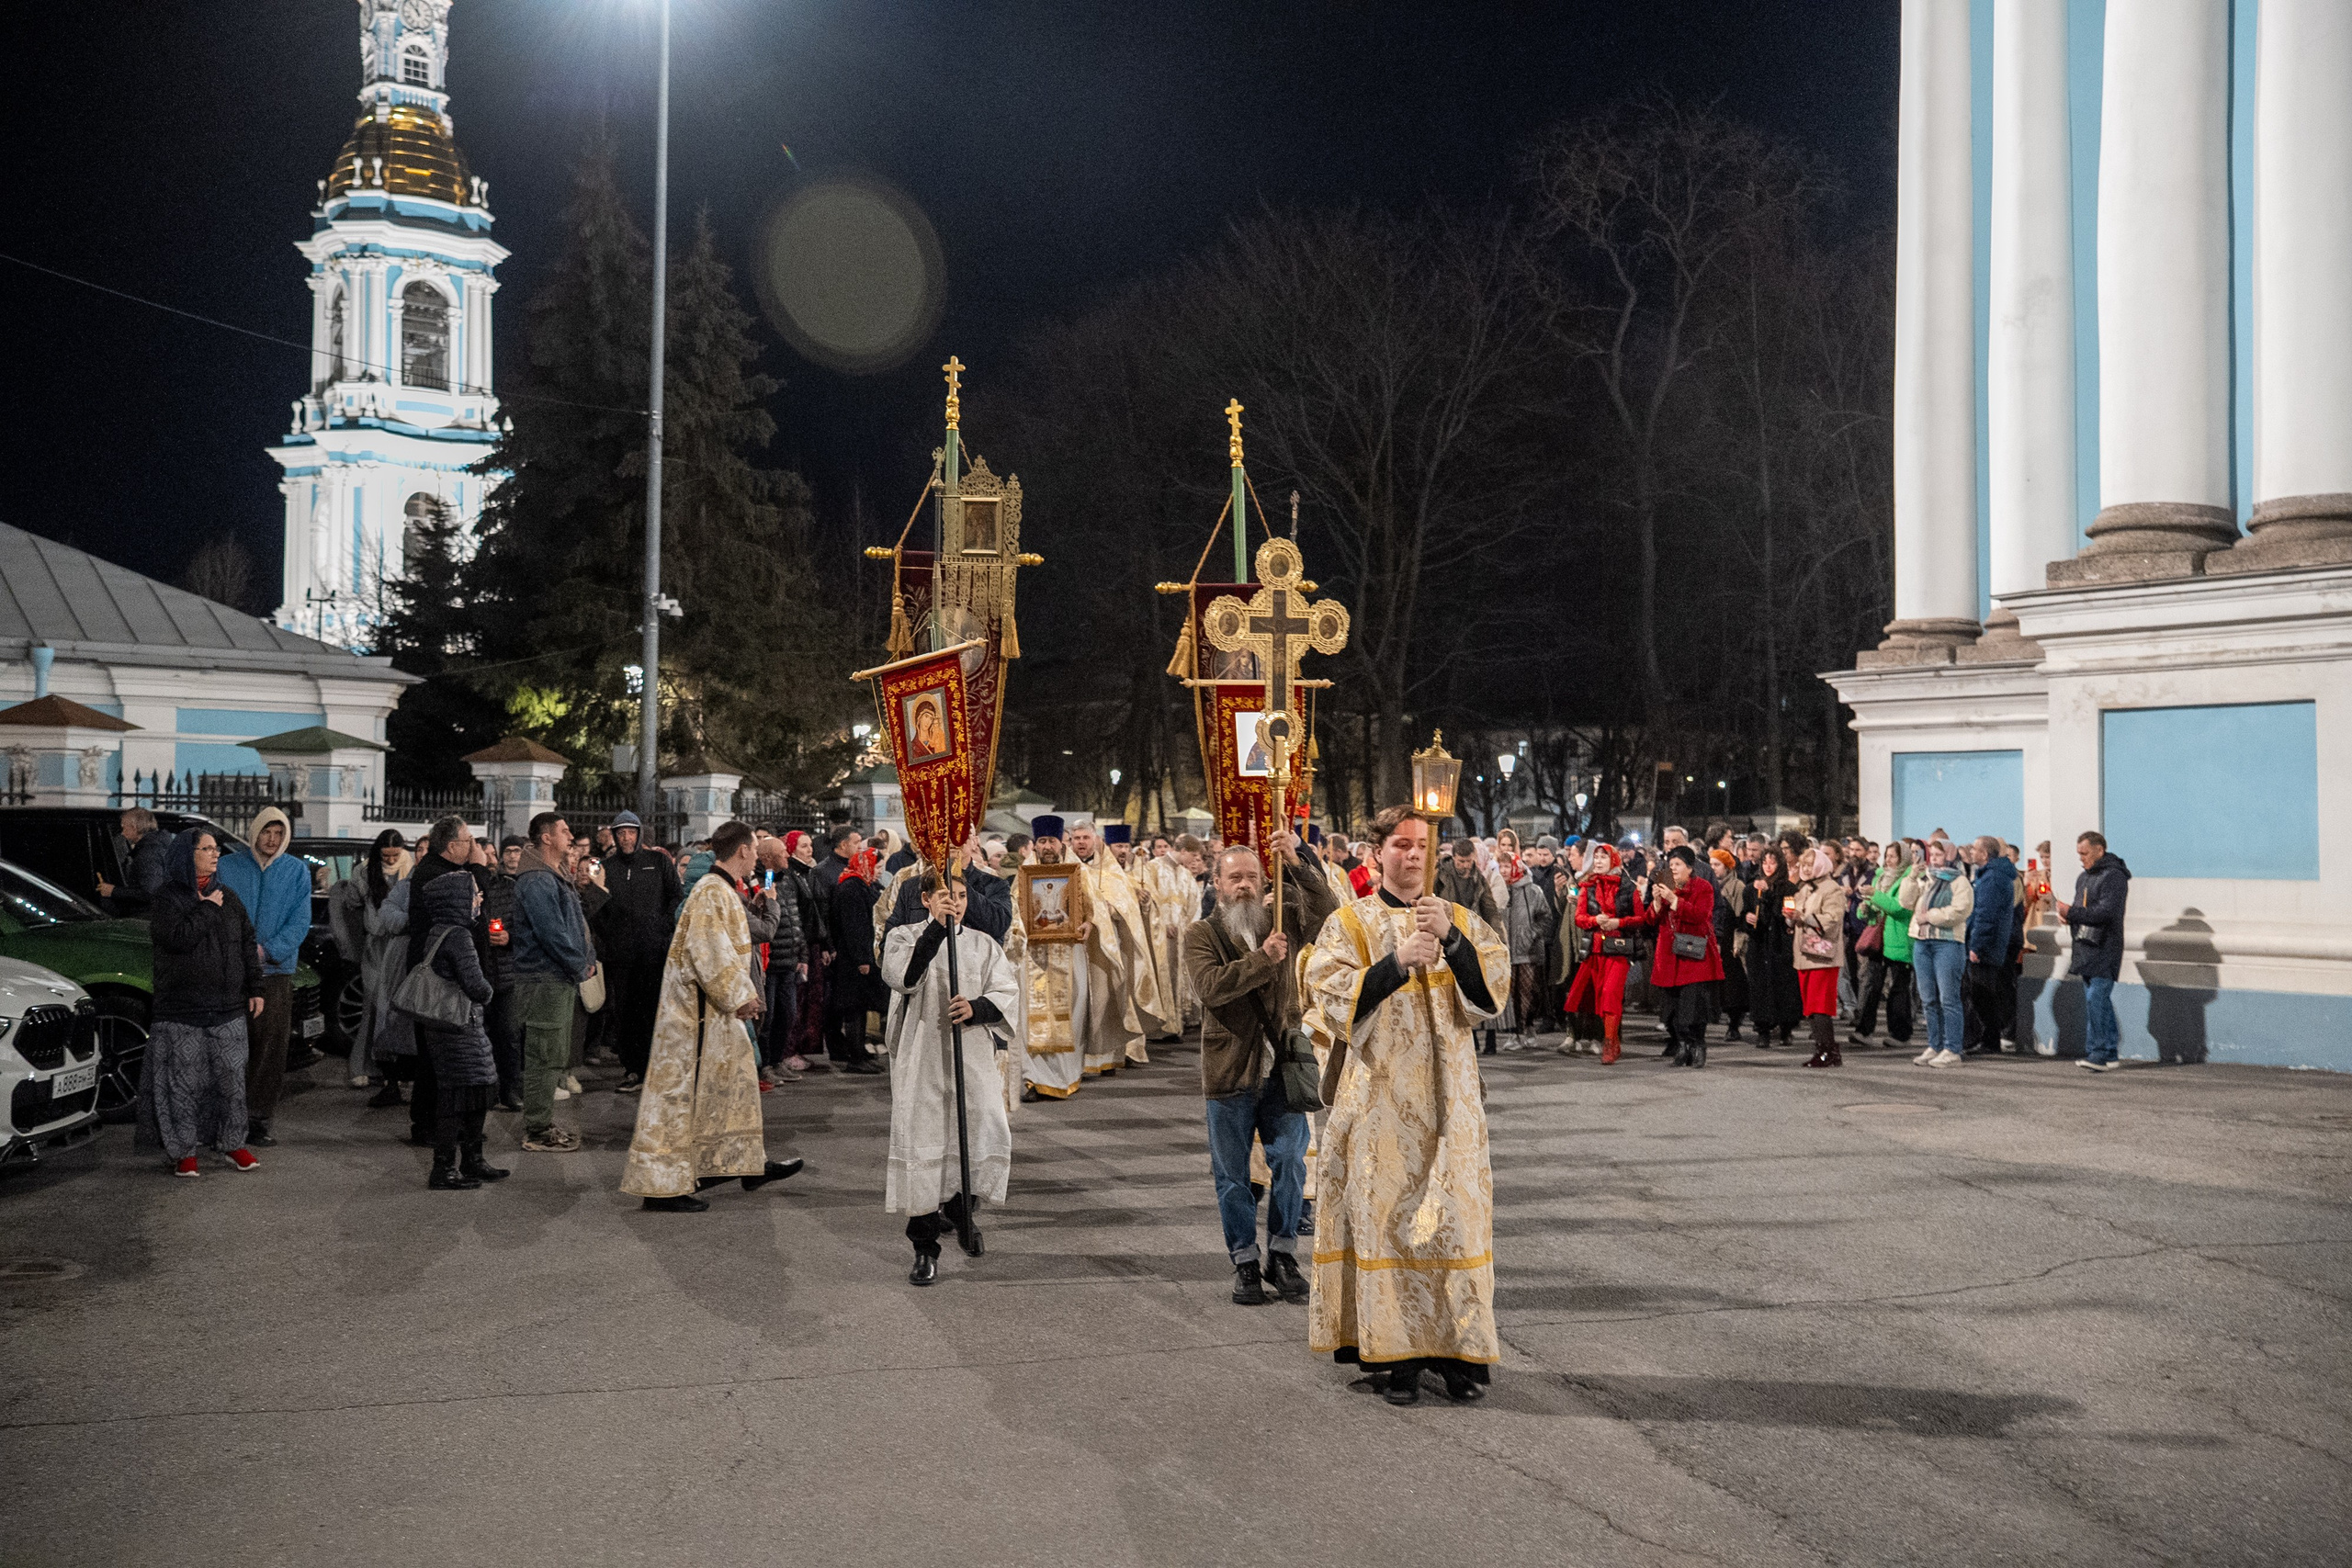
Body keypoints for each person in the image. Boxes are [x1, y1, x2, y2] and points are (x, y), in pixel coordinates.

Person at [1304, 806, 1507, 1407]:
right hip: (1381, 1106)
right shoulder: (1350, 924)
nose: (1413, 854)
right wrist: (1397, 963)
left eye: (1422, 845)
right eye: (1401, 844)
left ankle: (1458, 1355)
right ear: (1378, 853)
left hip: (1452, 1106)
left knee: (1452, 1222)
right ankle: (1397, 1361)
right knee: (1388, 1227)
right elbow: (1330, 993)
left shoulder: (1461, 918)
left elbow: (1490, 992)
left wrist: (1449, 938)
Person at [1185, 835, 1340, 1308]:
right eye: (1235, 878)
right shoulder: (1201, 935)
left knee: (1291, 1166)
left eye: (1253, 877)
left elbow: (1329, 909)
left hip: (1283, 1068)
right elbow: (1211, 988)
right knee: (1232, 1176)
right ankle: (1245, 1262)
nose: (1246, 886)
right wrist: (1262, 960)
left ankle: (1283, 1255)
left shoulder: (1284, 919)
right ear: (1217, 884)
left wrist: (1297, 860)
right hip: (1229, 1069)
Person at [620, 821, 803, 1211]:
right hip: (697, 1018)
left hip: (714, 1013)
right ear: (741, 851)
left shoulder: (721, 890)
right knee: (682, 1099)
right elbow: (707, 952)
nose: (757, 856)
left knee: (732, 1091)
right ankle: (662, 1189)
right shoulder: (711, 892)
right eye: (754, 849)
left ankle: (747, 1165)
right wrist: (742, 996)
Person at [881, 864, 1020, 1284]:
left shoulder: (982, 944)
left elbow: (1007, 992)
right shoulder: (903, 936)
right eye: (945, 897)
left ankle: (963, 1213)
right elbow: (903, 978)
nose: (954, 904)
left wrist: (978, 1008)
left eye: (959, 897)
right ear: (926, 900)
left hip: (971, 1054)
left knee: (978, 1130)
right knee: (923, 1138)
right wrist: (935, 931)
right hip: (923, 1055)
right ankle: (924, 1247)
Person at [137, 829, 264, 1177]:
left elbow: (246, 942)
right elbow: (176, 939)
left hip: (227, 1009)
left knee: (232, 1082)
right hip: (183, 1010)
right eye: (206, 848)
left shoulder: (227, 896)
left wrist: (255, 988)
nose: (214, 853)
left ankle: (233, 1143)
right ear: (186, 854)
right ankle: (183, 1152)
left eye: (214, 848)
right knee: (182, 1084)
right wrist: (206, 908)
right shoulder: (168, 897)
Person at [214, 806, 310, 1148]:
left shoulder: (296, 871)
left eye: (279, 833)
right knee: (229, 1045)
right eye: (267, 832)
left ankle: (257, 1118)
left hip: (274, 973)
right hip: (232, 972)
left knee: (269, 1046)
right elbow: (216, 912)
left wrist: (268, 950)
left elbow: (300, 921)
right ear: (255, 832)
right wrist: (237, 949)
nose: (272, 839)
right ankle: (224, 1116)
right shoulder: (227, 866)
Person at [409, 868, 509, 1190]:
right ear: (458, 900)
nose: (479, 899)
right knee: (459, 1096)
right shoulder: (459, 936)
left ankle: (471, 1160)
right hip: (459, 1026)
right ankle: (445, 1168)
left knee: (473, 1091)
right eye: (475, 894)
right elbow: (476, 985)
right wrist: (490, 993)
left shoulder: (441, 930)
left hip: (450, 1027)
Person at [510, 813, 594, 1152]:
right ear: (546, 838)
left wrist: (583, 960)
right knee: (543, 1055)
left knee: (551, 1054)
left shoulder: (552, 876)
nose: (570, 835)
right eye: (563, 830)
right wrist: (579, 964)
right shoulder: (538, 880)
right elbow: (552, 933)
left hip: (554, 976)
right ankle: (537, 1130)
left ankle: (541, 1124)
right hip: (544, 977)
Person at [1068, 819, 1168, 1069]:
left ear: (1095, 840)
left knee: (1104, 999)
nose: (1081, 842)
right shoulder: (1064, 869)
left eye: (1085, 838)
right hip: (1074, 946)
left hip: (1105, 946)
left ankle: (1105, 1058)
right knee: (1077, 1000)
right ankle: (1074, 1060)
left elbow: (1124, 907)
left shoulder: (1111, 873)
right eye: (1077, 838)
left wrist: (1110, 911)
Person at [596, 809, 683, 1094]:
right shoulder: (606, 866)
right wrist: (611, 936)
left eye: (630, 832)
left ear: (639, 834)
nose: (625, 837)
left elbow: (675, 897)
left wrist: (662, 927)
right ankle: (633, 1068)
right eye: (620, 832)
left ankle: (656, 1067)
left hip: (653, 952)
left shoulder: (658, 862)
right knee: (625, 1013)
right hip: (621, 956)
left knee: (653, 1009)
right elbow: (597, 908)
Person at [2055, 830, 2132, 1072]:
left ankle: (2099, 1052)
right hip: (2086, 947)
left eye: (2085, 853)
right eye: (2079, 854)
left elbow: (2106, 912)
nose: (2081, 859)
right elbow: (2084, 908)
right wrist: (2069, 917)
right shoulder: (2084, 877)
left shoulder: (2114, 877)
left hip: (2105, 947)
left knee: (2096, 999)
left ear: (2099, 850)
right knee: (2098, 1001)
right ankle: (2107, 1053)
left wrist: (2071, 913)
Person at [1565, 843, 1645, 1065]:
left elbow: (1641, 919)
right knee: (1590, 997)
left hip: (1618, 949)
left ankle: (1610, 1042)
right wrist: (1595, 920)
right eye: (1596, 857)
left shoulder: (1629, 888)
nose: (1599, 861)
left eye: (1604, 857)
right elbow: (1579, 918)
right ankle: (1599, 1038)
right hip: (1594, 951)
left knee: (1610, 993)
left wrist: (1618, 922)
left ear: (1614, 861)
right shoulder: (1588, 887)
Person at [1648, 846, 1724, 1067]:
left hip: (1693, 953)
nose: (1672, 869)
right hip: (1669, 955)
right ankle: (1681, 1045)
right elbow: (1652, 919)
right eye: (1670, 865)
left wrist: (1675, 900)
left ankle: (1697, 1045)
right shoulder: (1665, 885)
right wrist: (1655, 901)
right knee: (1671, 1007)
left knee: (1693, 1006)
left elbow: (1701, 916)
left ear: (1690, 868)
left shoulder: (1704, 887)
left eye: (1678, 864)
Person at [1903, 838, 1974, 1067]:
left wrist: (1930, 916)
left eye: (1939, 855)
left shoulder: (1960, 881)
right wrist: (1912, 877)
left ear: (1950, 856)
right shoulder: (1926, 879)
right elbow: (1905, 902)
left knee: (1949, 998)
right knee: (1928, 999)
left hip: (1947, 943)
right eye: (1931, 854)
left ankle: (1952, 1048)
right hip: (1922, 942)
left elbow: (1960, 910)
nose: (1934, 859)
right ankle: (1934, 1045)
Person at [752, 836, 808, 1088]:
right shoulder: (766, 880)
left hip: (789, 960)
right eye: (782, 853)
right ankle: (765, 1065)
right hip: (771, 963)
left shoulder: (788, 880)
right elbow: (766, 917)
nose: (788, 856)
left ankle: (777, 1060)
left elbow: (795, 917)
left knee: (788, 1014)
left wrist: (801, 954)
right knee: (769, 1017)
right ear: (767, 858)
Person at [827, 845, 886, 1073]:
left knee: (860, 1008)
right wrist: (863, 959)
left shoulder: (863, 884)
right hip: (853, 961)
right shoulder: (852, 888)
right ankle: (855, 1058)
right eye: (878, 866)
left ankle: (859, 1053)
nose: (880, 871)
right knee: (854, 1009)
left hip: (858, 957)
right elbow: (855, 927)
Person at [1853, 840, 1917, 1049]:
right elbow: (1877, 907)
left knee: (1898, 988)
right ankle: (1864, 1031)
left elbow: (1900, 909)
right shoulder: (1881, 876)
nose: (1888, 860)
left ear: (1903, 858)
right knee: (1871, 985)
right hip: (1878, 938)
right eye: (1887, 856)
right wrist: (1865, 909)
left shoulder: (1910, 879)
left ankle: (1900, 1034)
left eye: (1893, 856)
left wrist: (1875, 896)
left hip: (1899, 938)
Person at [1791, 844, 1850, 1068]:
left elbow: (1832, 919)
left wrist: (1804, 917)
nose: (1805, 869)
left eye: (1809, 865)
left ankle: (1828, 1051)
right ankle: (1823, 1049)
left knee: (1820, 1006)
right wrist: (1790, 917)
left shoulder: (1831, 889)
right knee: (1810, 1006)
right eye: (1803, 865)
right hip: (1804, 954)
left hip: (1822, 956)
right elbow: (1799, 917)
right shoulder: (1805, 889)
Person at [1961, 836, 2018, 1055]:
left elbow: (1986, 916)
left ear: (1985, 854)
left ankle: (1985, 1039)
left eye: (1974, 849)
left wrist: (1977, 946)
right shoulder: (1990, 875)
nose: (1971, 852)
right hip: (1988, 945)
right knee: (1983, 994)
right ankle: (1989, 1040)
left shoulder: (1993, 878)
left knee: (1981, 994)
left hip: (1986, 947)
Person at [1742, 845, 1803, 1047]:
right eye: (1765, 862)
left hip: (1780, 945)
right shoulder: (1751, 888)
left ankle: (1786, 1029)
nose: (1768, 866)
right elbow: (1745, 914)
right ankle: (1762, 1030)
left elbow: (1783, 916)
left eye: (1773, 862)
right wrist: (1747, 918)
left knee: (1784, 987)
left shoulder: (1788, 888)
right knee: (1760, 988)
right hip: (1759, 945)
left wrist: (1768, 896)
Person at [96, 807, 172, 917]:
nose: (122, 833)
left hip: (148, 916)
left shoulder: (148, 854)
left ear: (134, 828)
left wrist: (113, 891)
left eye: (124, 827)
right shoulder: (159, 847)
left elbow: (149, 892)